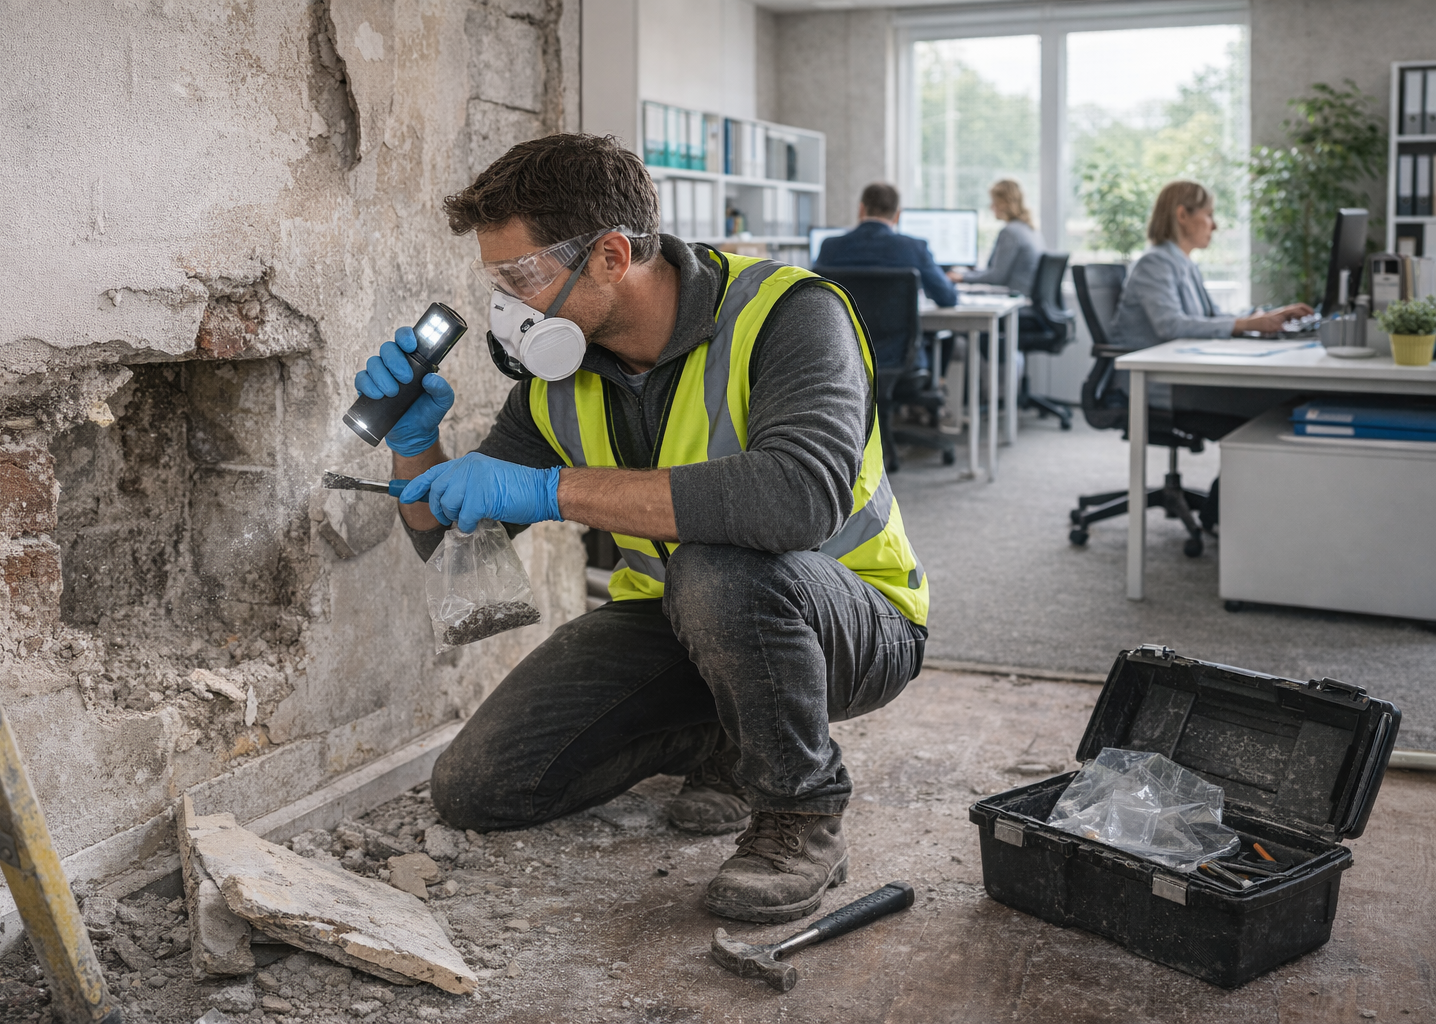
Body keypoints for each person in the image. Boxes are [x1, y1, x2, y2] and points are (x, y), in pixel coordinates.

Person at [354, 135, 929, 925]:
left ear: (612, 256)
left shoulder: (789, 316)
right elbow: (449, 538)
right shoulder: (561, 375)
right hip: (678, 620)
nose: (508, 306)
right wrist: (415, 443)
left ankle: (801, 814)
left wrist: (552, 489)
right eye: (496, 280)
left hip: (847, 621)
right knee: (481, 787)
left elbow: (798, 500)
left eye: (520, 277)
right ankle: (729, 739)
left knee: (720, 569)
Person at [1111, 180, 1314, 432]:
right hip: (1158, 385)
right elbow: (1171, 325)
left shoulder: (1184, 264)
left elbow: (1213, 316)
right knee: (1283, 403)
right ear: (1182, 215)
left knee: (1286, 398)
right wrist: (1247, 324)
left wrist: (1262, 316)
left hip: (1184, 376)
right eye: (1208, 215)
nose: (1214, 225)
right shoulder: (1154, 264)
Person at [815, 182, 958, 308]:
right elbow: (947, 298)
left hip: (846, 338)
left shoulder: (830, 247)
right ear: (897, 215)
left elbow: (814, 299)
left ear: (861, 209)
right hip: (898, 339)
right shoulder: (914, 248)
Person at [946, 179, 1043, 297]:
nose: (991, 206)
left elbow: (997, 277)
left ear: (1004, 203)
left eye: (994, 202)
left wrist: (961, 277)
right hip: (1026, 297)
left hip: (1014, 299)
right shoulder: (1030, 229)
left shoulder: (1010, 232)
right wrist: (973, 273)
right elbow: (998, 272)